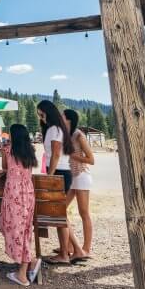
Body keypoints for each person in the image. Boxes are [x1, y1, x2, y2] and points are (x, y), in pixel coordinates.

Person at [36, 99, 86, 265]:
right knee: (60, 214)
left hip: (58, 173)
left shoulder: (53, 129)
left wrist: (49, 176)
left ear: (46, 112)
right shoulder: (59, 129)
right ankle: (76, 250)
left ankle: (65, 254)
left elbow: (56, 154)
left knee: (58, 215)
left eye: (40, 113)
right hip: (63, 172)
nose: (39, 117)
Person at [0, 123, 38, 286]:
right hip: (28, 193)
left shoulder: (8, 150)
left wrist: (6, 172)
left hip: (13, 194)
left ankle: (22, 273)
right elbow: (21, 168)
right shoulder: (30, 151)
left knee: (14, 229)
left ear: (13, 136)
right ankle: (30, 261)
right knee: (24, 229)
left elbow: (7, 167)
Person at [63, 108, 95, 259]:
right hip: (72, 177)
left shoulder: (78, 135)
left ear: (69, 119)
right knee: (60, 209)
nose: (60, 118)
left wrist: (75, 156)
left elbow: (91, 159)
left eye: (62, 116)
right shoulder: (66, 135)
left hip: (82, 175)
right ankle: (69, 245)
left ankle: (86, 249)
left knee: (84, 213)